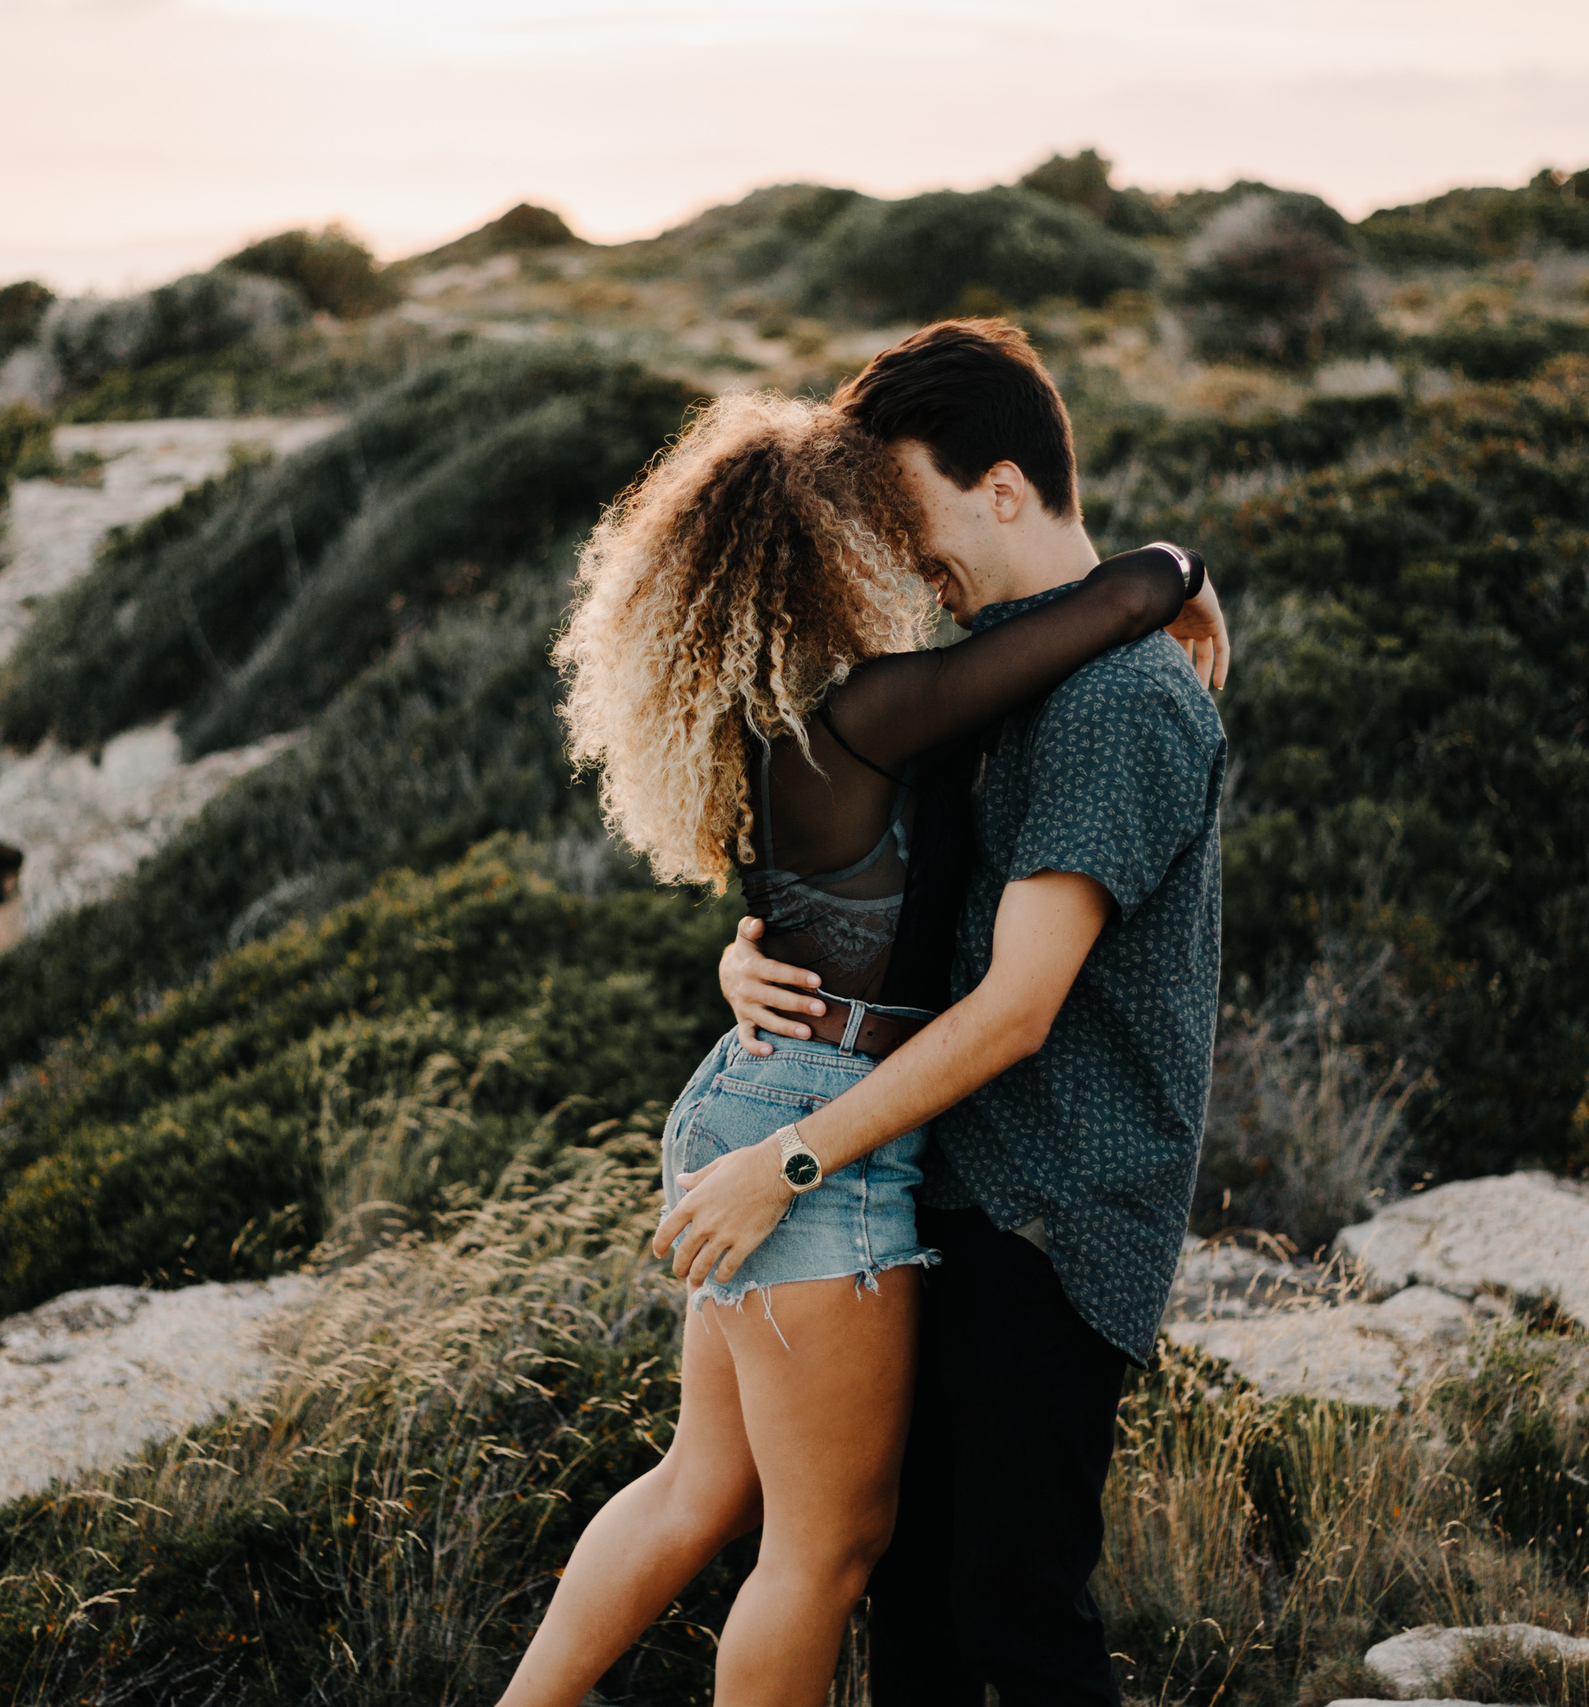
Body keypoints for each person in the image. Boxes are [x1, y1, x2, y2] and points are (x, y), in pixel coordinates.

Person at [498, 366, 1225, 1706]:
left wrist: (754, 974)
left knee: (697, 1488)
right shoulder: (879, 708)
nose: (897, 552)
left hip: (767, 1090)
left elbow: (838, 911)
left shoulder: (814, 714)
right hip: (808, 1127)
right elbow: (1114, 604)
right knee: (826, 1550)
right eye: (867, 524)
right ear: (825, 547)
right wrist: (1179, 571)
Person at [702, 319, 1231, 1704]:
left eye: (909, 508)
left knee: (1012, 1621)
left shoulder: (1117, 703)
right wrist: (746, 959)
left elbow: (1016, 1012)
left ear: (1004, 485)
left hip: (1054, 1214)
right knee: (919, 1611)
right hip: (953, 1191)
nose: (898, 552)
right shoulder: (1023, 676)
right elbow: (881, 908)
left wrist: (785, 1163)